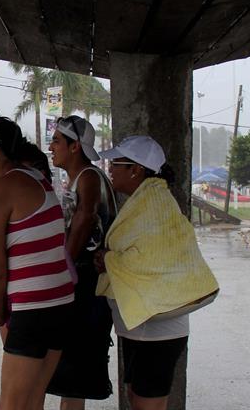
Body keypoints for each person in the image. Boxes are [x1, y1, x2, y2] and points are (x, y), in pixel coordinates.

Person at [95, 135, 219, 410]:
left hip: (157, 331)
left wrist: (108, 258)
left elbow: (148, 262)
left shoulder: (153, 205)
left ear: (136, 170)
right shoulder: (147, 202)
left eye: (116, 164)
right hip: (140, 327)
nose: (110, 169)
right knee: (136, 396)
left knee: (148, 403)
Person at [0, 116, 74, 410]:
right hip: (61, 302)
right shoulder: (38, 178)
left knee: (12, 404)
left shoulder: (0, 187)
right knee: (34, 398)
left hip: (32, 308)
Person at [46, 116, 116, 409]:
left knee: (76, 366)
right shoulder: (80, 177)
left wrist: (64, 268)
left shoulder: (88, 176)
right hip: (82, 279)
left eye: (57, 142)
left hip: (87, 284)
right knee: (73, 376)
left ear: (75, 146)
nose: (52, 147)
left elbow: (85, 219)